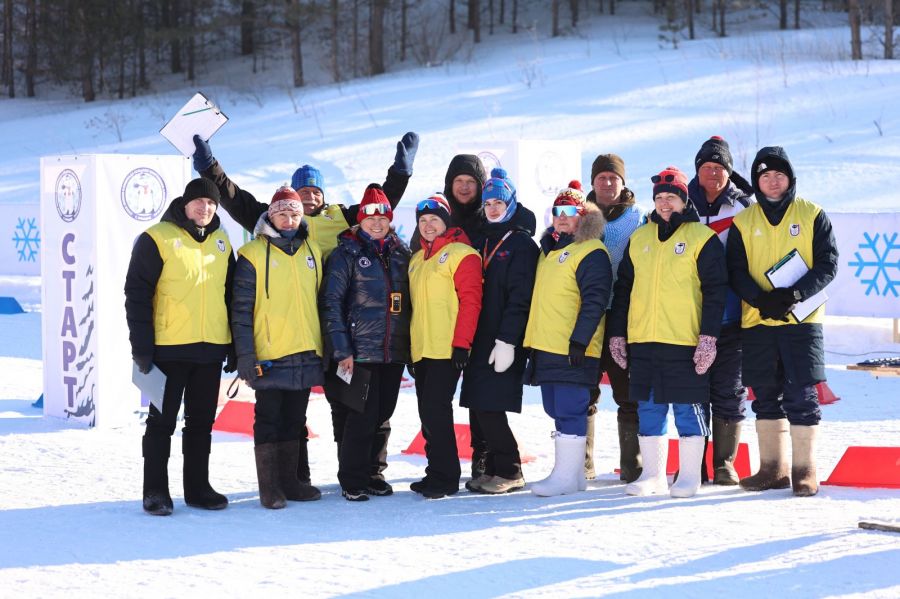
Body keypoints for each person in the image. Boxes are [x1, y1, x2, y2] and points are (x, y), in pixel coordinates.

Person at [193, 132, 418, 484]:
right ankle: (300, 477)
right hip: (303, 328)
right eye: (303, 191)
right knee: (310, 406)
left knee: (360, 403)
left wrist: (400, 172)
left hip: (346, 326)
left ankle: (364, 470)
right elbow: (237, 199)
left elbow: (379, 207)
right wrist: (210, 167)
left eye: (316, 191)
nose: (310, 197)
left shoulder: (343, 217)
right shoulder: (281, 219)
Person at [608, 167, 727, 499]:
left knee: (687, 409)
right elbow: (623, 289)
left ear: (684, 200)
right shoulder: (640, 237)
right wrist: (618, 333)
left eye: (671, 198)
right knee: (648, 408)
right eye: (659, 198)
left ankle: (688, 476)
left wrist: (708, 337)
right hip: (643, 339)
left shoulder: (701, 238)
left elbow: (716, 291)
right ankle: (653, 475)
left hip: (684, 340)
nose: (664, 204)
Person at [726, 146, 838, 497]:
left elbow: (828, 264)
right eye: (765, 176)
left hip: (802, 321)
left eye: (779, 175)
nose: (772, 182)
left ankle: (805, 472)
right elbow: (735, 271)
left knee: (802, 393)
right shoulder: (744, 221)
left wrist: (794, 294)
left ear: (790, 178)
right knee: (764, 395)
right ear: (756, 181)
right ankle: (772, 469)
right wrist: (760, 300)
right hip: (758, 320)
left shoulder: (812, 214)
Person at [125, 178, 235, 516]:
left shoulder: (222, 242)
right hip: (168, 349)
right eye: (199, 201)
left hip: (210, 348)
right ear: (185, 204)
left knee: (201, 423)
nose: (205, 208)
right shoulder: (157, 238)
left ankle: (198, 488)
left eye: (211, 203)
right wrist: (141, 346)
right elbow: (137, 294)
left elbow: (231, 295)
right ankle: (155, 491)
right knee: (162, 423)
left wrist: (233, 343)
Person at [231, 186, 325, 508]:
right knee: (268, 419)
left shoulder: (313, 250)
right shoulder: (252, 254)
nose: (288, 220)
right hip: (269, 353)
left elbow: (322, 302)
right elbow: (241, 311)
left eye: (294, 214)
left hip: (306, 350)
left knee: (295, 419)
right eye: (282, 214)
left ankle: (291, 482)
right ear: (270, 216)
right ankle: (269, 488)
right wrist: (245, 355)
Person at [320, 184, 412, 501]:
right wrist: (342, 349)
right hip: (358, 352)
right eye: (370, 218)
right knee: (360, 417)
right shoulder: (345, 254)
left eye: (382, 218)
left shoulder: (400, 254)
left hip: (392, 350)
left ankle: (374, 473)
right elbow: (331, 303)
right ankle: (353, 478)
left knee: (383, 415)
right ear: (360, 221)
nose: (377, 223)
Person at [523, 181, 612, 497]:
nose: (562, 217)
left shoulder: (591, 251)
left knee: (570, 408)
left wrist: (580, 340)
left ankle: (564, 477)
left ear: (583, 216)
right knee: (555, 408)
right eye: (557, 210)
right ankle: (572, 477)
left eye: (570, 211)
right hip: (546, 344)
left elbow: (595, 300)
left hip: (573, 347)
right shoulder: (550, 250)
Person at [460, 168, 539, 494]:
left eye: (499, 203)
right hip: (478, 337)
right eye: (489, 203)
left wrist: (508, 340)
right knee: (479, 404)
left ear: (511, 203)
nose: (493, 208)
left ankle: (510, 469)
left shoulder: (521, 244)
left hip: (503, 337)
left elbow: (521, 298)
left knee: (490, 405)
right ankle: (492, 469)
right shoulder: (482, 238)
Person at [408, 194, 483, 499]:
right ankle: (435, 471)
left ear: (446, 222)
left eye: (434, 220)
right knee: (426, 412)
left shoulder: (462, 254)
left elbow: (471, 301)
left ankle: (447, 476)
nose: (428, 225)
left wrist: (462, 343)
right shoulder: (417, 260)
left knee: (435, 410)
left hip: (447, 348)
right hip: (422, 348)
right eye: (423, 221)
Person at [688, 136, 754, 485]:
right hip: (688, 316)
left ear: (729, 171)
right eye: (706, 167)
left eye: (719, 167)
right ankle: (693, 464)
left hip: (732, 317)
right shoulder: (682, 204)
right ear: (697, 170)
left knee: (729, 389)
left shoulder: (744, 207)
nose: (712, 173)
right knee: (692, 392)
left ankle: (725, 463)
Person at [584, 153, 646, 483]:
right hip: (586, 315)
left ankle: (633, 465)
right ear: (593, 182)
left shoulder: (639, 217)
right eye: (601, 178)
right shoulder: (580, 215)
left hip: (624, 314)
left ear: (623, 182)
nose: (607, 183)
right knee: (583, 390)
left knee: (627, 391)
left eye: (613, 178)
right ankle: (582, 464)